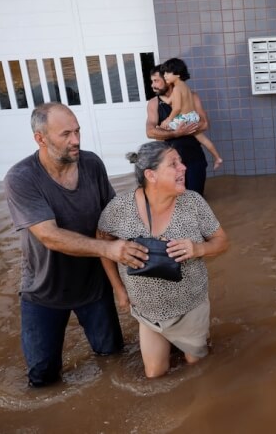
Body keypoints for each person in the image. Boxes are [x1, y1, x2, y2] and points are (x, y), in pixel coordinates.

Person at [4, 102, 150, 387]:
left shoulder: (92, 163)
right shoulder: (21, 178)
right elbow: (49, 236)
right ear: (40, 138)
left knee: (113, 359)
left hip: (93, 286)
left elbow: (112, 217)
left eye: (78, 131)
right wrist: (108, 249)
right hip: (44, 291)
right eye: (66, 134)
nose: (76, 140)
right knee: (42, 378)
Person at [97, 141, 230, 378]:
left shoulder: (193, 202)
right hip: (147, 313)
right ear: (151, 175)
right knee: (154, 375)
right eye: (174, 164)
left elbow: (222, 242)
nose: (184, 168)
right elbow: (103, 244)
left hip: (190, 307)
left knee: (198, 370)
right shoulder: (120, 208)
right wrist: (119, 289)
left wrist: (198, 249)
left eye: (181, 162)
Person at [145, 63, 210, 195]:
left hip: (194, 158)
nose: (153, 85)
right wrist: (176, 133)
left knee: (196, 199)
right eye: (152, 81)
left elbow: (205, 124)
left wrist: (187, 127)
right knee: (175, 201)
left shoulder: (192, 97)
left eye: (156, 81)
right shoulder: (154, 103)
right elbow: (150, 132)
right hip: (169, 162)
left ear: (167, 80)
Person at [159, 58, 223, 170]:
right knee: (202, 138)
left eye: (167, 73)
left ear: (177, 74)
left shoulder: (177, 89)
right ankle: (217, 158)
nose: (165, 75)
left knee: (160, 130)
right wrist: (160, 96)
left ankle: (159, 162)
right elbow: (169, 101)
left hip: (184, 118)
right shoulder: (185, 87)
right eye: (164, 73)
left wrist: (168, 120)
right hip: (193, 117)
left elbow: (177, 108)